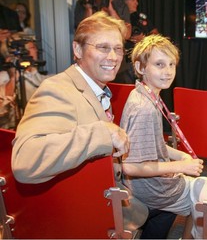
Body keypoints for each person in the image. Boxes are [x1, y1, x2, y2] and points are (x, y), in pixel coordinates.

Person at [12, 11, 129, 184]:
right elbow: (25, 161)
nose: (113, 57)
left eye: (118, 49)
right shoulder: (58, 90)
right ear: (77, 49)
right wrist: (103, 133)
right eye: (103, 47)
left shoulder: (96, 88)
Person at [120, 34, 207, 239]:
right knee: (205, 195)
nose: (168, 71)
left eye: (171, 64)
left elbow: (154, 143)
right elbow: (130, 166)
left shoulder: (143, 94)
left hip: (147, 186)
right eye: (159, 64)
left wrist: (180, 157)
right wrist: (180, 167)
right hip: (153, 190)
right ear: (141, 67)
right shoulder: (144, 108)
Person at [113, 0, 159, 84]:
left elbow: (156, 35)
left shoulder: (140, 17)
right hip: (123, 63)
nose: (136, 3)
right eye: (133, 0)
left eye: (136, 0)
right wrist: (128, 37)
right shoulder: (114, 17)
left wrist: (143, 40)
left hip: (142, 60)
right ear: (123, 1)